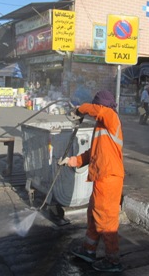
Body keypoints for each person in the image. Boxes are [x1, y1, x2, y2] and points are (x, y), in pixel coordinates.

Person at [61, 90, 124, 272]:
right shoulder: (101, 127)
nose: (94, 110)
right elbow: (91, 154)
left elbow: (98, 110)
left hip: (109, 178)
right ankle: (89, 251)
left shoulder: (111, 117)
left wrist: (80, 110)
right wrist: (72, 161)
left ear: (101, 105)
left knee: (106, 220)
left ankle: (113, 261)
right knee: (94, 215)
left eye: (96, 106)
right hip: (102, 179)